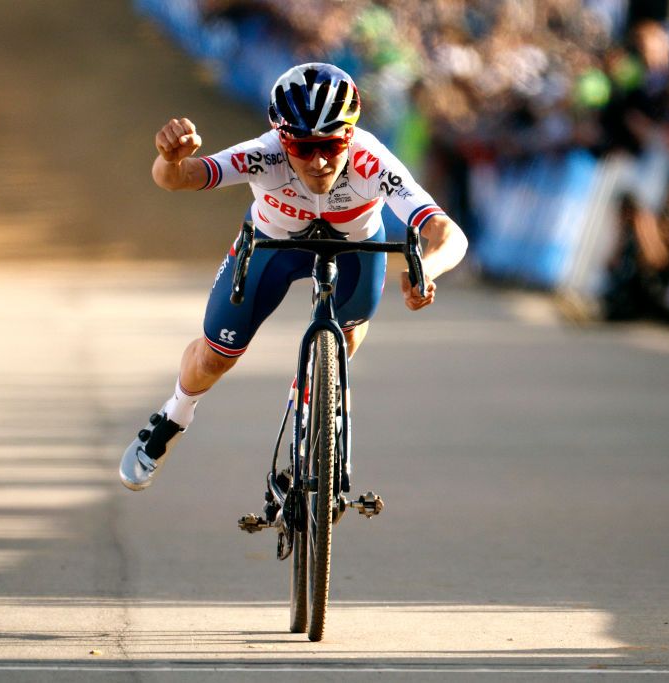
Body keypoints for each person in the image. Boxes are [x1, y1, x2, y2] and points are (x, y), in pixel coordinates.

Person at [120, 63, 469, 491]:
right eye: (303, 148)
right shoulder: (264, 153)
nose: (319, 160)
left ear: (350, 135)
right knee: (215, 357)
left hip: (354, 249)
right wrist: (169, 159)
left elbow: (448, 234)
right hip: (274, 247)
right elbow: (177, 179)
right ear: (282, 140)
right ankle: (175, 414)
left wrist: (426, 271)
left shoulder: (371, 159)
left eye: (332, 144)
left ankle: (314, 409)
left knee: (346, 333)